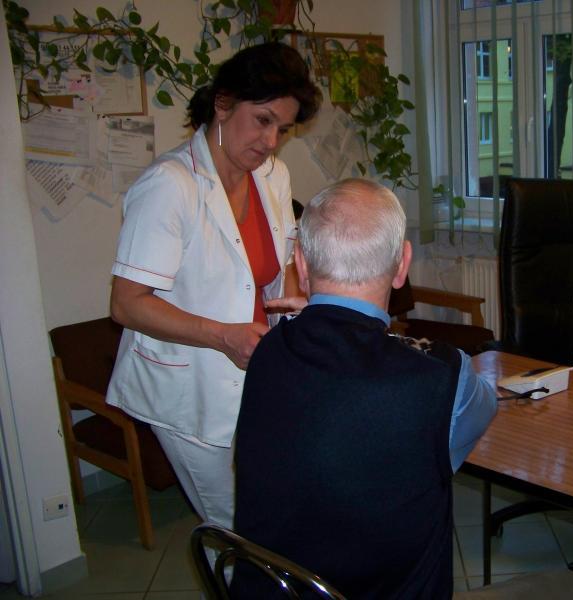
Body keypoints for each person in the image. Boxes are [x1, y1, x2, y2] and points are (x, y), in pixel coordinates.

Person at [232, 179, 498, 598]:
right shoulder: (443, 379)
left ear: (301, 264)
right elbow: (483, 406)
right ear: (402, 264)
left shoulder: (267, 351)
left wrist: (320, 318)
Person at [105, 42, 321, 529]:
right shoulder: (170, 185)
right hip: (187, 385)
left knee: (274, 498)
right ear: (223, 104)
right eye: (263, 120)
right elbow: (126, 304)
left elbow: (279, 263)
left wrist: (292, 311)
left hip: (255, 368)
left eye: (282, 129)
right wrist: (223, 335)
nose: (271, 141)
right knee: (234, 522)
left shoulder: (273, 175)